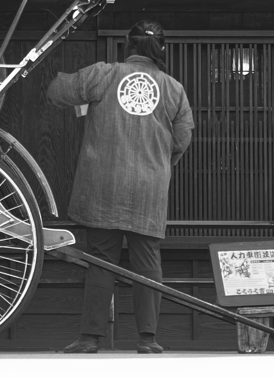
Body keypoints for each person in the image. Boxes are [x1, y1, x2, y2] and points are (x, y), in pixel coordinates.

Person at [46, 20, 194, 354]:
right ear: (162, 49)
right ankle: (148, 339)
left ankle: (89, 338)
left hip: (104, 183)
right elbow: (183, 138)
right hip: (149, 187)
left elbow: (57, 91)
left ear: (128, 46)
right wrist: (158, 165)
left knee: (101, 258)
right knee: (147, 259)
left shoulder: (104, 74)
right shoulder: (173, 89)